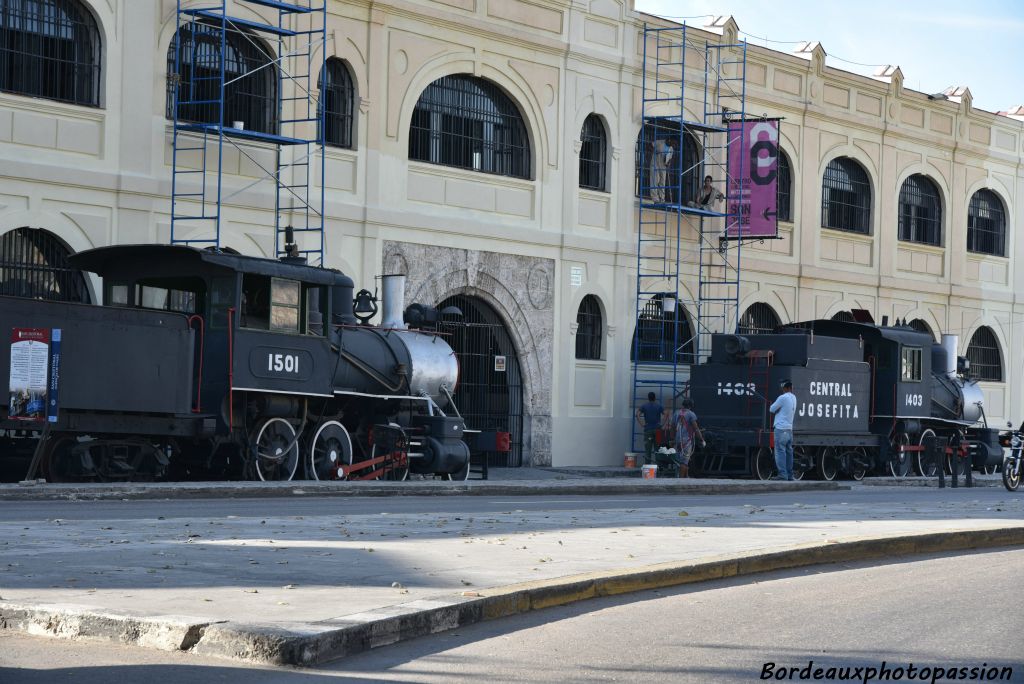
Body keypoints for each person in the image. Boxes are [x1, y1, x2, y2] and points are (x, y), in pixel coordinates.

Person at [769, 380, 797, 480]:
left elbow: (771, 409)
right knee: (789, 453)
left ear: (786, 388)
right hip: (789, 430)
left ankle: (782, 475)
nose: (782, 390)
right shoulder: (794, 398)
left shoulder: (783, 397)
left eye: (783, 388)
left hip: (781, 429)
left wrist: (778, 410)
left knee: (780, 452)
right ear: (792, 388)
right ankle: (790, 475)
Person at [673, 398, 705, 478]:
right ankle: (680, 481)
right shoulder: (691, 414)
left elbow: (672, 427)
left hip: (678, 440)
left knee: (681, 459)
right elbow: (696, 428)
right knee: (684, 461)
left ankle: (685, 477)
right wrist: (702, 439)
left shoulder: (676, 413)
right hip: (687, 441)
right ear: (691, 406)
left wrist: (673, 438)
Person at [635, 391, 664, 465]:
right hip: (658, 431)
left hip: (648, 430)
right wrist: (663, 424)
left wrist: (642, 424)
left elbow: (637, 414)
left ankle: (647, 467)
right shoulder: (659, 406)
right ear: (655, 398)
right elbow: (667, 414)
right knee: (658, 449)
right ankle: (659, 467)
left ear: (648, 398)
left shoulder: (644, 406)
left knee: (648, 449)